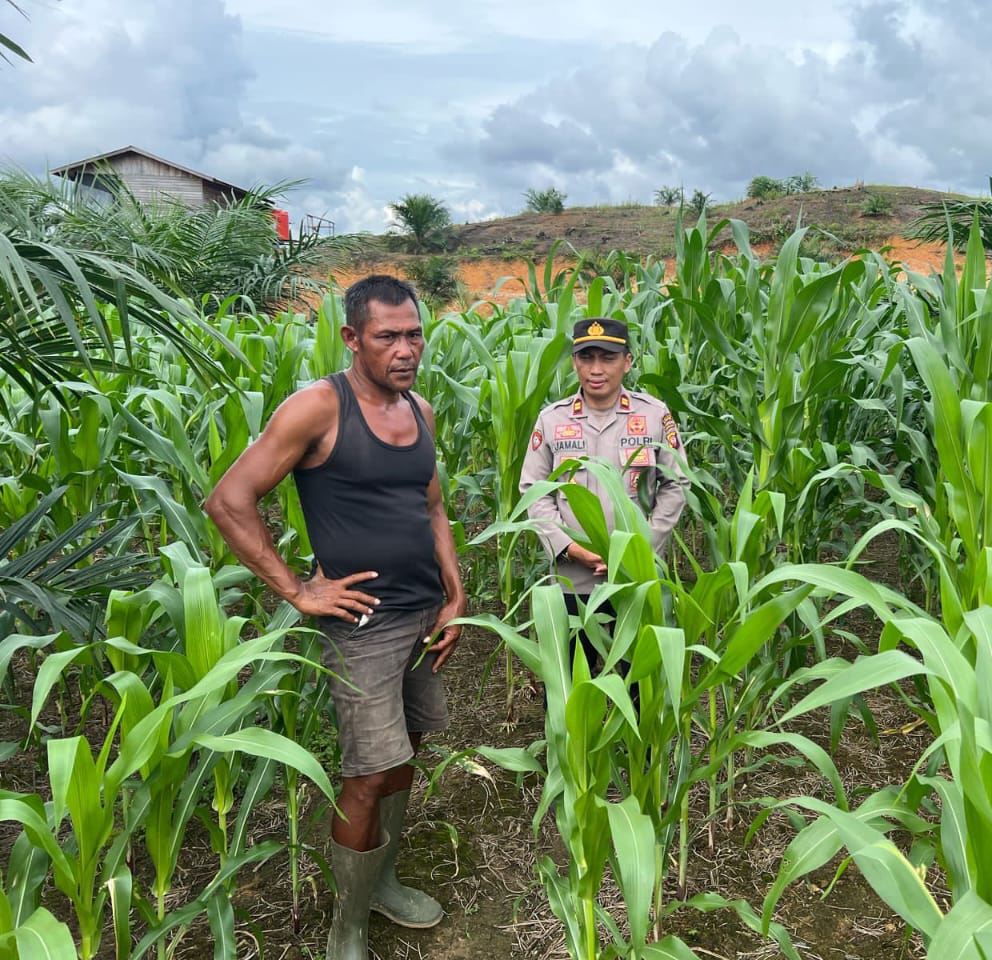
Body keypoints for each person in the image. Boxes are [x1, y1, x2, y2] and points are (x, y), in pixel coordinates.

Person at [204, 275, 466, 959]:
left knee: (407, 754)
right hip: (365, 626)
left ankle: (382, 884)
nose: (406, 350)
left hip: (423, 616)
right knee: (368, 774)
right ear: (352, 338)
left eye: (414, 335)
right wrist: (298, 590)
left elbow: (432, 505)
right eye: (388, 337)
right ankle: (345, 928)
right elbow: (229, 500)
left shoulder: (420, 409)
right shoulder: (319, 408)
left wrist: (454, 590)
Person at [518, 317, 689, 672]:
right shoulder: (552, 420)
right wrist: (569, 547)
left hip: (635, 578)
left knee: (638, 684)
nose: (596, 369)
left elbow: (676, 485)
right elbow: (533, 490)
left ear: (627, 362)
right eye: (587, 357)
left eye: (608, 358)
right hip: (571, 582)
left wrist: (639, 548)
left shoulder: (653, 415)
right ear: (574, 362)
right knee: (569, 684)